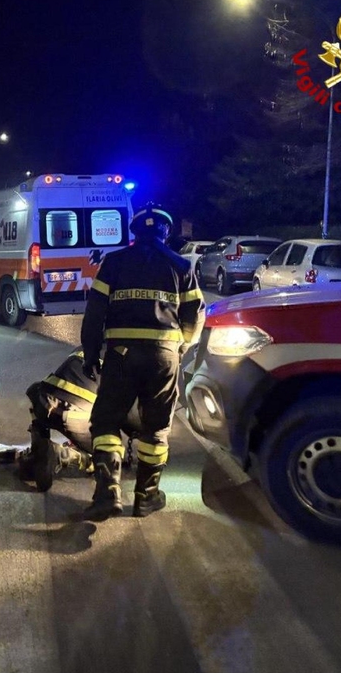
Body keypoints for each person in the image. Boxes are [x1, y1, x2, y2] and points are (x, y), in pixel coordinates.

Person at [80, 202, 205, 520]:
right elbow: (195, 315)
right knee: (157, 427)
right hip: (164, 357)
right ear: (166, 231)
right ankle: (146, 497)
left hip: (121, 355)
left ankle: (107, 494)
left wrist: (91, 354)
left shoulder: (115, 261)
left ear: (134, 232)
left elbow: (94, 313)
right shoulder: (182, 266)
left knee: (106, 422)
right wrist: (181, 347)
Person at [17, 347, 99, 491]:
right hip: (73, 416)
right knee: (110, 449)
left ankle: (39, 450)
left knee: (37, 391)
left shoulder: (86, 346)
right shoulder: (125, 360)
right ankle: (63, 455)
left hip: (45, 402)